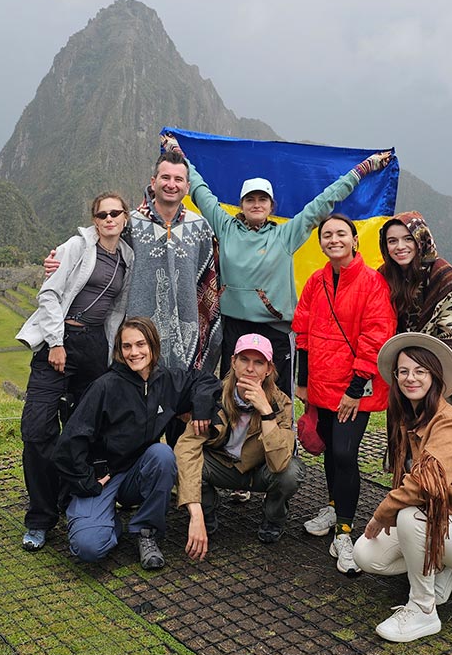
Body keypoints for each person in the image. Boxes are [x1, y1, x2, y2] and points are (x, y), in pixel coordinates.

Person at [161, 133, 393, 398]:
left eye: (262, 200)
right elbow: (200, 189)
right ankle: (233, 440)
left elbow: (325, 200)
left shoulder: (285, 235)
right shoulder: (225, 227)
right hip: (234, 327)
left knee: (276, 398)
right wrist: (176, 151)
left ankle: (279, 439)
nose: (256, 204)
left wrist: (363, 169)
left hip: (275, 330)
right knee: (233, 396)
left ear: (271, 206)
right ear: (242, 204)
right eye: (250, 199)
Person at [45, 150, 222, 445]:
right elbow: (98, 240)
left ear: (187, 187)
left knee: (183, 424)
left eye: (178, 179)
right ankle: (137, 483)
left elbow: (208, 285)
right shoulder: (131, 224)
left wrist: (205, 334)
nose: (171, 184)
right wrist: (57, 258)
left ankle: (181, 486)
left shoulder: (199, 227)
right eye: (165, 177)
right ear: (153, 182)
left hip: (185, 342)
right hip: (137, 343)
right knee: (136, 419)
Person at [353, 333, 452, 643]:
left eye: (420, 371)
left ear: (434, 376)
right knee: (365, 555)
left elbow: (425, 486)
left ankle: (423, 610)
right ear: (395, 377)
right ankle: (441, 569)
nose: (411, 378)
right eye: (404, 371)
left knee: (410, 517)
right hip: (439, 524)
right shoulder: (406, 418)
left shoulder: (447, 421)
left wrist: (383, 513)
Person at [15, 193, 134, 552]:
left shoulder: (127, 258)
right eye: (102, 214)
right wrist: (55, 341)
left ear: (125, 218)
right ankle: (40, 515)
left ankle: (71, 501)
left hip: (95, 347)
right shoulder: (76, 246)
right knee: (37, 430)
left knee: (84, 431)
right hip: (60, 339)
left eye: (116, 213)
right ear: (94, 219)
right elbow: (48, 295)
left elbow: (117, 310)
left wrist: (113, 352)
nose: (109, 218)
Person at [52, 317, 220, 569]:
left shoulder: (166, 380)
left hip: (137, 473)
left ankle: (146, 532)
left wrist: (202, 408)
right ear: (119, 350)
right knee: (88, 548)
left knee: (162, 455)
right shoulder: (104, 387)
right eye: (126, 346)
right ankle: (108, 521)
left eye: (140, 344)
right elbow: (68, 445)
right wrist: (87, 481)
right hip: (102, 478)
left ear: (152, 345)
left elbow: (204, 381)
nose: (134, 352)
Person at [292, 214, 395, 573]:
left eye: (341, 234)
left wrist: (354, 390)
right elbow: (302, 333)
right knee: (328, 451)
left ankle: (345, 532)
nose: (334, 239)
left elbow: (375, 337)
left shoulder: (371, 284)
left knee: (344, 452)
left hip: (355, 387)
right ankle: (334, 507)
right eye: (327, 235)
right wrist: (303, 383)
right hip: (320, 384)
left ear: (354, 240)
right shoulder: (315, 281)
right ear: (321, 243)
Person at [175, 333, 305, 559]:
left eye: (258, 362)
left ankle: (273, 518)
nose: (250, 369)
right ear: (233, 362)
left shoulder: (281, 402)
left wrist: (266, 412)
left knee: (291, 473)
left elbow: (279, 462)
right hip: (223, 466)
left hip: (261, 471)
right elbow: (186, 448)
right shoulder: (213, 395)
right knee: (180, 462)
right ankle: (206, 514)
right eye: (244, 360)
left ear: (268, 369)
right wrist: (194, 510)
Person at [376, 211, 452, 407]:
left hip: (438, 375)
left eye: (408, 239)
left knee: (437, 431)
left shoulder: (443, 275)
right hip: (400, 375)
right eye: (392, 241)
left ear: (421, 240)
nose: (400, 247)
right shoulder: (384, 276)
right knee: (402, 432)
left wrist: (424, 364)